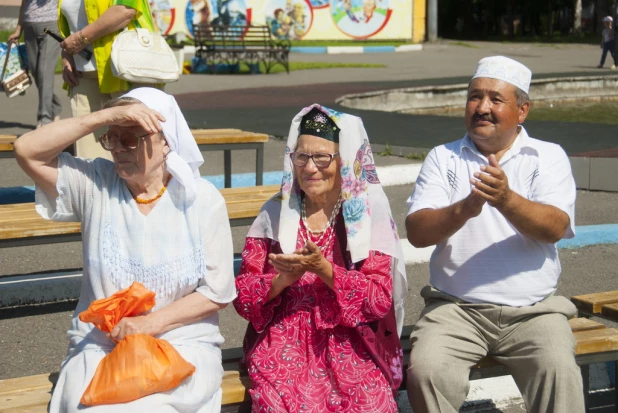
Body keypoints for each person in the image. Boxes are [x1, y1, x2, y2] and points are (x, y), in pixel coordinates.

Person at [14, 87, 236, 412]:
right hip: (102, 347)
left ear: (166, 142)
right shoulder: (96, 184)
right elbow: (26, 150)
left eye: (130, 138)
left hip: (180, 345)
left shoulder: (202, 199)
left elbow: (217, 293)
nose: (118, 148)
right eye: (111, 138)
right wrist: (104, 117)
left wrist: (150, 324)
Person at [405, 56, 584, 413]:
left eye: (495, 99)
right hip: (455, 309)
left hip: (534, 312)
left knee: (559, 372)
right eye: (475, 96)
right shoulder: (443, 158)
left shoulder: (547, 156)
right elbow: (417, 233)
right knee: (425, 371)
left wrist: (505, 199)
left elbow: (554, 228)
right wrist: (465, 208)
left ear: (522, 110)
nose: (482, 108)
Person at [233, 104, 408, 412]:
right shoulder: (275, 213)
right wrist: (282, 279)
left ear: (346, 161)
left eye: (322, 157)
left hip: (353, 342)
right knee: (279, 404)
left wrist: (326, 270)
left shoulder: (368, 215)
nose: (310, 168)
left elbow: (379, 299)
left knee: (370, 403)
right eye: (302, 156)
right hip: (283, 342)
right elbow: (243, 298)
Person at [57, 0, 158, 160]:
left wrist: (80, 39)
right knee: (89, 153)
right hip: (83, 74)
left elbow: (126, 10)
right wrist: (66, 55)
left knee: (138, 145)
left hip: (125, 70)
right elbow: (70, 24)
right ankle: (98, 185)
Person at [8, 0, 62, 128]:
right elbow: (24, 3)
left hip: (50, 24)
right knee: (37, 74)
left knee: (44, 72)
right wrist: (18, 29)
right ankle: (54, 107)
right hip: (29, 25)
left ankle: (45, 119)